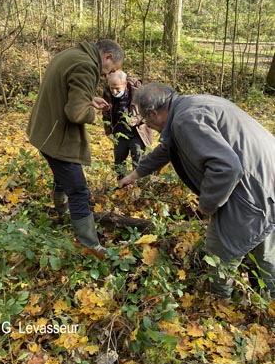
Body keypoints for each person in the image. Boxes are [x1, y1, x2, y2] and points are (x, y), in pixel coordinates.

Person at [119, 82, 275, 299]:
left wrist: (207, 204)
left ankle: (221, 304)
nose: (149, 127)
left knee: (219, 248)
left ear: (153, 114)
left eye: (145, 121)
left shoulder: (185, 121)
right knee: (266, 239)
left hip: (252, 188)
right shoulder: (190, 105)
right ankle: (269, 301)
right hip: (266, 179)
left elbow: (226, 168)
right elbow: (167, 148)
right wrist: (135, 175)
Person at [27, 39, 124, 254]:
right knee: (79, 191)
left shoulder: (72, 54)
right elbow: (76, 113)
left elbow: (67, 89)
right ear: (107, 56)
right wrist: (92, 114)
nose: (107, 75)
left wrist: (90, 98)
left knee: (62, 176)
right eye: (112, 69)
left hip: (43, 131)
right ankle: (90, 246)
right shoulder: (87, 65)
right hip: (57, 137)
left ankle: (62, 212)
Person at [102, 70, 152, 179]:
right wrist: (109, 132)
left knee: (138, 161)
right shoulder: (107, 93)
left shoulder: (139, 92)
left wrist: (138, 119)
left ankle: (139, 187)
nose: (114, 92)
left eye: (117, 89)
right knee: (119, 163)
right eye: (112, 88)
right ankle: (121, 188)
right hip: (119, 133)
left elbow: (149, 111)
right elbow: (105, 114)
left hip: (137, 133)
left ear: (124, 84)